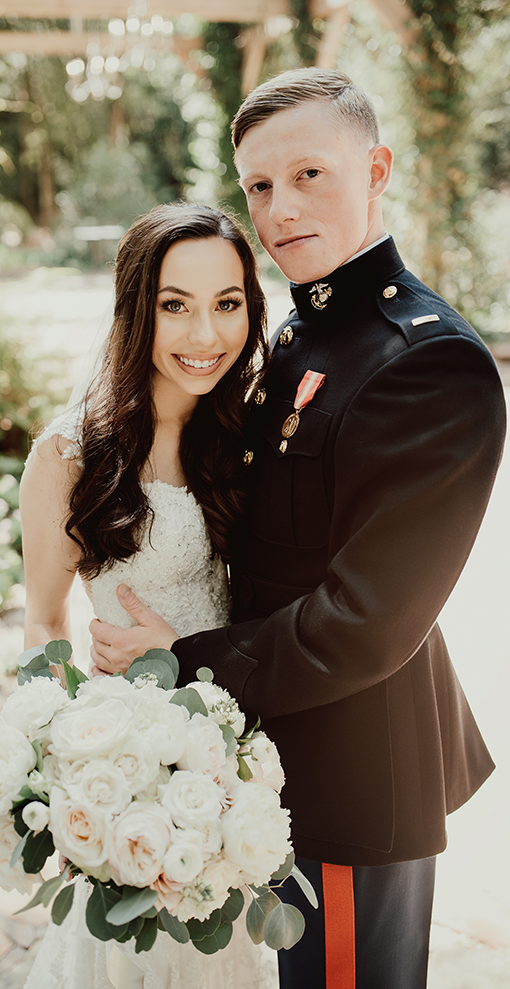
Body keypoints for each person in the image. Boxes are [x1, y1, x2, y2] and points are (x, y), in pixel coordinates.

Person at [89, 69, 507, 989]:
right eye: (260, 186)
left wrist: (187, 657)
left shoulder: (429, 365)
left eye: (310, 173)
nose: (280, 208)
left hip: (350, 777)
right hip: (271, 761)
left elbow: (366, 619)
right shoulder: (295, 332)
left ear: (378, 169)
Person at [18, 201, 278, 989]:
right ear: (137, 310)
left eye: (227, 304)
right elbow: (43, 617)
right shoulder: (70, 455)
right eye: (176, 306)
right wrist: (64, 769)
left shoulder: (250, 432)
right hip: (133, 783)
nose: (207, 337)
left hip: (239, 775)